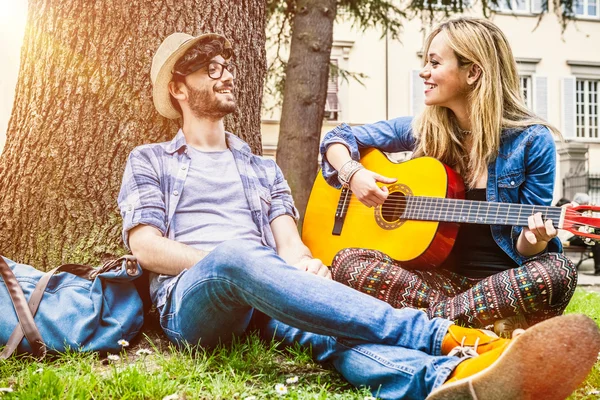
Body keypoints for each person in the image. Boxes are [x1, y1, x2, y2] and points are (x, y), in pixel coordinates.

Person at [117, 31, 598, 400]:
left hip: (268, 293)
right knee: (237, 258)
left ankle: (459, 377)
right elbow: (145, 247)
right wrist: (242, 264)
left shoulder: (262, 169)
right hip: (192, 301)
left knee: (336, 335)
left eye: (227, 66)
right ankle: (442, 334)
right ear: (178, 89)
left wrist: (302, 266)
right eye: (209, 70)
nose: (226, 75)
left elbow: (289, 246)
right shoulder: (151, 160)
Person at [320, 17, 577, 336]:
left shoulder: (530, 141)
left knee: (558, 270)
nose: (424, 72)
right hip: (437, 281)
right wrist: (353, 173)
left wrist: (535, 237)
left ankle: (430, 325)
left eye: (434, 63)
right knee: (347, 261)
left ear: (473, 72)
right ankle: (483, 329)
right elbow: (338, 137)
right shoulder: (423, 131)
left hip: (503, 288)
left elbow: (527, 249)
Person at [557, 194, 600, 275]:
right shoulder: (575, 208)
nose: (588, 203)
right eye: (587, 202)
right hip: (570, 238)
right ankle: (598, 269)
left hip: (572, 236)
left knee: (593, 238)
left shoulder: (576, 207)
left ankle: (598, 268)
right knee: (593, 239)